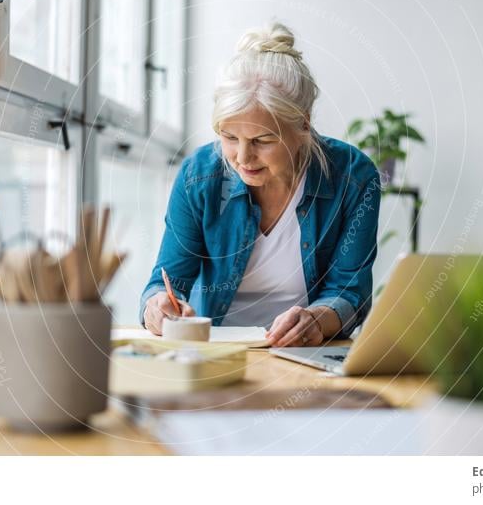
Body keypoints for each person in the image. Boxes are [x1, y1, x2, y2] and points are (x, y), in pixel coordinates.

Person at [139, 22, 380, 347]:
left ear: (303, 123)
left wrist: (316, 320)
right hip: (216, 353)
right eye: (228, 137)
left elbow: (350, 291)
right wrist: (157, 307)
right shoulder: (198, 176)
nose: (242, 157)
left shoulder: (353, 177)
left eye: (263, 140)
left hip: (304, 354)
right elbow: (165, 281)